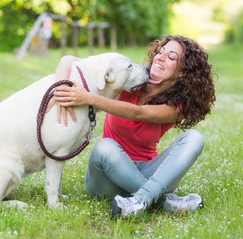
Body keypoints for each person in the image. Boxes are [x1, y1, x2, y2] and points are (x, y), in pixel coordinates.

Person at [52, 35, 216, 219]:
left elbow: (137, 113)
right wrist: (60, 90)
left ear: (183, 72)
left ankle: (139, 201)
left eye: (171, 57)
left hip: (148, 171)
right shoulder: (131, 77)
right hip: (106, 178)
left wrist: (89, 98)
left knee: (194, 138)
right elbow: (67, 60)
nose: (160, 57)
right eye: (160, 52)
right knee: (104, 147)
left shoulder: (177, 106)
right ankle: (161, 201)